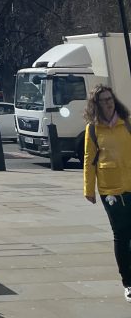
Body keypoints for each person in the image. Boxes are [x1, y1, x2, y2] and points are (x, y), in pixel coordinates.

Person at [84, 84, 131, 300]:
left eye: (110, 99)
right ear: (97, 104)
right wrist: (89, 189)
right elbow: (88, 161)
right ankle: (128, 282)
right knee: (121, 234)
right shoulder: (93, 129)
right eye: (103, 100)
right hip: (110, 189)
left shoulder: (127, 123)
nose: (108, 103)